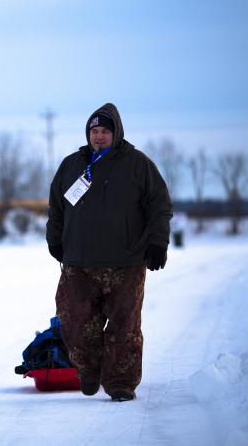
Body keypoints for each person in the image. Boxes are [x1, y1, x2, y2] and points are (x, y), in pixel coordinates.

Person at [45, 103, 172, 402]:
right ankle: (88, 369)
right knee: (74, 321)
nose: (99, 137)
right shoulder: (72, 165)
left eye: (105, 131)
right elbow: (57, 209)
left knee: (124, 325)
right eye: (94, 131)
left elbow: (159, 206)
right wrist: (55, 240)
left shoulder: (138, 164)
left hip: (126, 262)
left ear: (116, 133)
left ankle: (120, 382)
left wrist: (158, 242)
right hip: (79, 261)